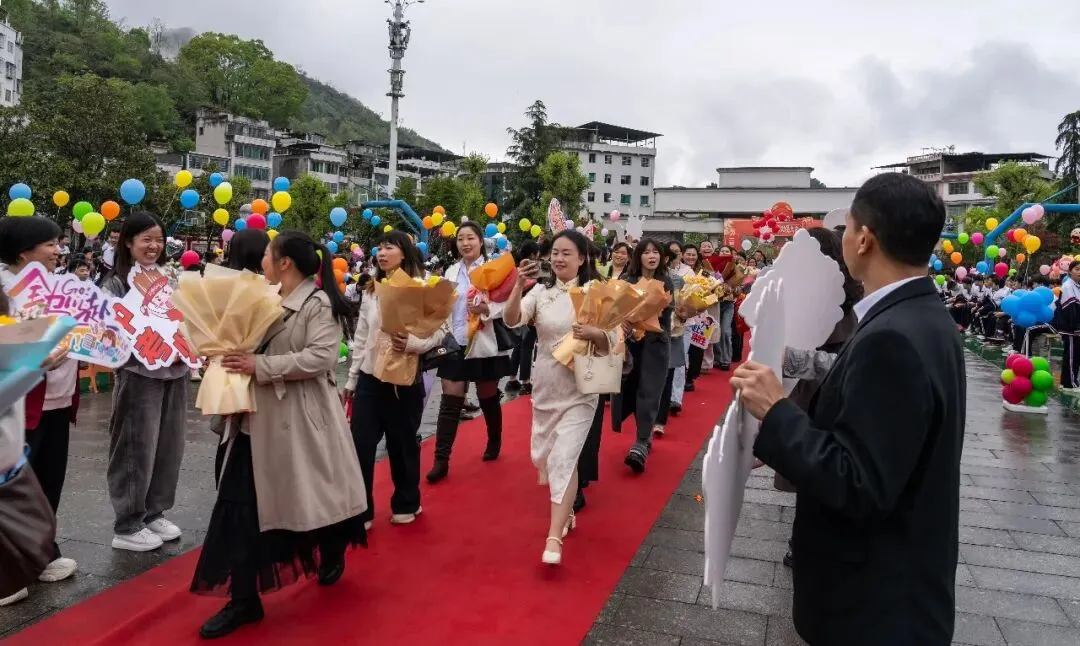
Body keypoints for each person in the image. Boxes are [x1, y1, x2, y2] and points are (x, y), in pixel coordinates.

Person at [732, 172, 966, 644]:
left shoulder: (892, 337)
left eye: (848, 228)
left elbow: (859, 481)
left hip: (874, 605)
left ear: (864, 239)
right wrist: (779, 439)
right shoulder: (919, 316)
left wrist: (777, 411)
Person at [190, 230, 368, 639]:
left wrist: (259, 366)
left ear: (285, 262)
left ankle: (331, 547)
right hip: (252, 419)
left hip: (298, 421)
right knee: (238, 507)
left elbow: (322, 357)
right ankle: (244, 599)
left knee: (309, 499)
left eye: (269, 256)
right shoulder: (264, 297)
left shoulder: (316, 302)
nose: (264, 262)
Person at [504, 230, 612, 565]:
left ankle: (553, 537)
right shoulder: (540, 292)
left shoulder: (596, 292)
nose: (559, 258)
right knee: (548, 457)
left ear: (583, 258)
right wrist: (516, 289)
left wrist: (596, 333)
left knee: (565, 458)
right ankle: (566, 514)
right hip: (547, 384)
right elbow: (512, 320)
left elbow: (613, 341)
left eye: (567, 253)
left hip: (581, 389)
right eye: (555, 252)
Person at [343, 231, 444, 529]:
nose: (382, 252)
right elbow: (361, 336)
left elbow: (439, 331)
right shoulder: (373, 289)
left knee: (401, 443)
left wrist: (413, 343)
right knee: (360, 442)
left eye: (389, 246)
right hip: (370, 378)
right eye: (380, 247)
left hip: (405, 378)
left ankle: (406, 501)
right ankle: (362, 509)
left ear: (405, 253)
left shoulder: (423, 288)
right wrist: (351, 380)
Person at [103, 213, 189, 552]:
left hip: (176, 370)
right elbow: (107, 331)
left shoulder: (168, 277)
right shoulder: (116, 282)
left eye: (158, 240)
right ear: (128, 242)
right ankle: (127, 523)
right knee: (135, 448)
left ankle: (155, 512)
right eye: (146, 240)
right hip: (139, 374)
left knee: (169, 446)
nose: (153, 246)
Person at [426, 222, 513, 484]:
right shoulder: (450, 272)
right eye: (461, 239)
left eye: (471, 238)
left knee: (487, 395)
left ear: (480, 242)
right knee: (450, 399)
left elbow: (506, 303)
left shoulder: (493, 269)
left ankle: (494, 438)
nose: (465, 243)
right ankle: (441, 459)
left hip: (483, 341)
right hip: (455, 343)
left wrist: (488, 310)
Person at [613, 238, 672, 473]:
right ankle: (643, 435)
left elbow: (667, 315)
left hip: (655, 345)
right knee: (630, 390)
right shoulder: (626, 280)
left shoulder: (665, 281)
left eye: (655, 252)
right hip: (628, 346)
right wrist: (623, 324)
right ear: (638, 256)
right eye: (646, 252)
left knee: (650, 391)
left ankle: (641, 442)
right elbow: (614, 310)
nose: (651, 256)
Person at [507, 240, 541, 395]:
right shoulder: (534, 270)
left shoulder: (516, 269)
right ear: (533, 254)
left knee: (519, 346)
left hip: (517, 311)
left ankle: (512, 378)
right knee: (527, 347)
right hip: (530, 315)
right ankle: (525, 382)